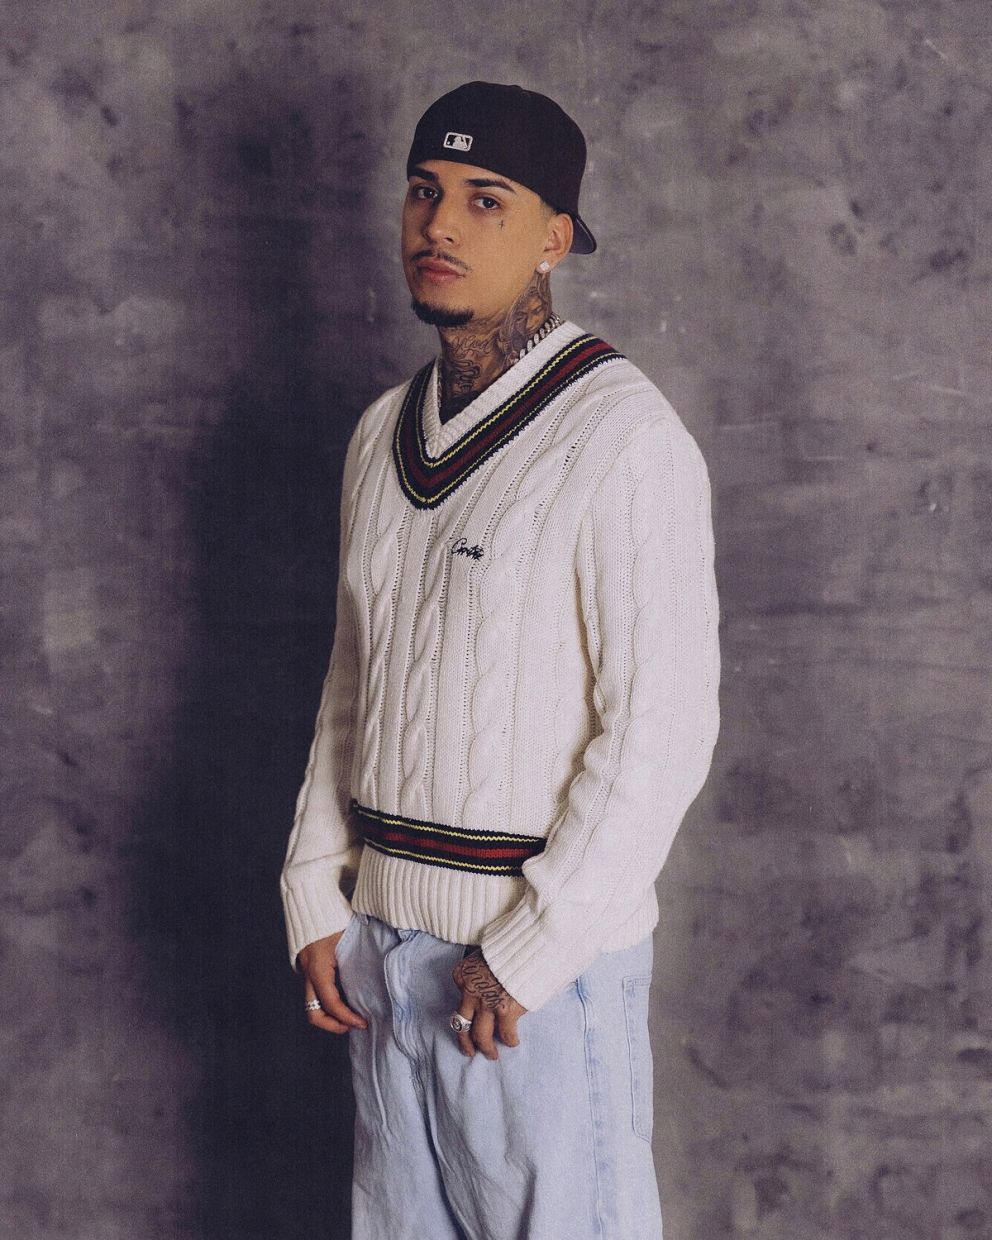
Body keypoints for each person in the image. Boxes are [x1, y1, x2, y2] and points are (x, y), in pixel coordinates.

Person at [280, 81, 720, 1240]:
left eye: (486, 200)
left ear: (552, 238)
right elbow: (354, 677)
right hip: (380, 949)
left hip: (529, 975)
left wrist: (532, 947)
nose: (439, 224)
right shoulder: (381, 432)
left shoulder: (620, 437)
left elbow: (660, 728)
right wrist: (312, 881)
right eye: (422, 191)